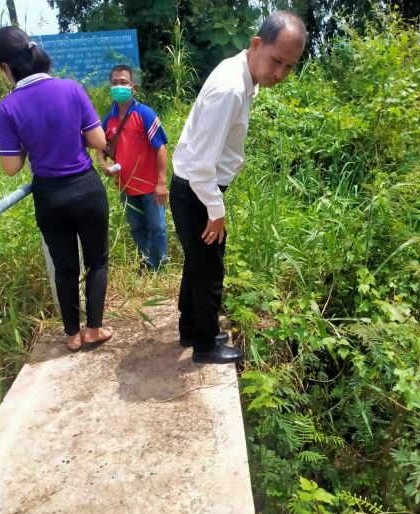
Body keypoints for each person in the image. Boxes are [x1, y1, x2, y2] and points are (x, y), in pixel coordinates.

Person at [170, 11, 306, 364]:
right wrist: (216, 211)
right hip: (198, 189)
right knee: (209, 269)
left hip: (195, 188)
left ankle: (191, 329)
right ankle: (205, 345)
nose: (280, 73)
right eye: (276, 61)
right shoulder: (230, 88)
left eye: (289, 67)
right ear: (257, 44)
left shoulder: (244, 74)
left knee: (197, 264)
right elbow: (201, 166)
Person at [0, 26, 113, 352]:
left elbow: (11, 167)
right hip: (86, 189)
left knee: (65, 267)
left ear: (6, 67)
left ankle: (72, 335)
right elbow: (98, 140)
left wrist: (29, 141)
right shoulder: (71, 88)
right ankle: (94, 329)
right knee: (97, 261)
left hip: (49, 197)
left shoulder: (7, 108)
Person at [98, 65, 168, 271]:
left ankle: (161, 267)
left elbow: (161, 148)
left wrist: (162, 183)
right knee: (137, 227)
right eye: (115, 83)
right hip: (126, 187)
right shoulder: (109, 119)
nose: (118, 86)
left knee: (157, 227)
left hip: (150, 186)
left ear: (133, 88)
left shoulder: (144, 114)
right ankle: (147, 264)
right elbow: (100, 147)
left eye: (123, 82)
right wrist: (104, 165)